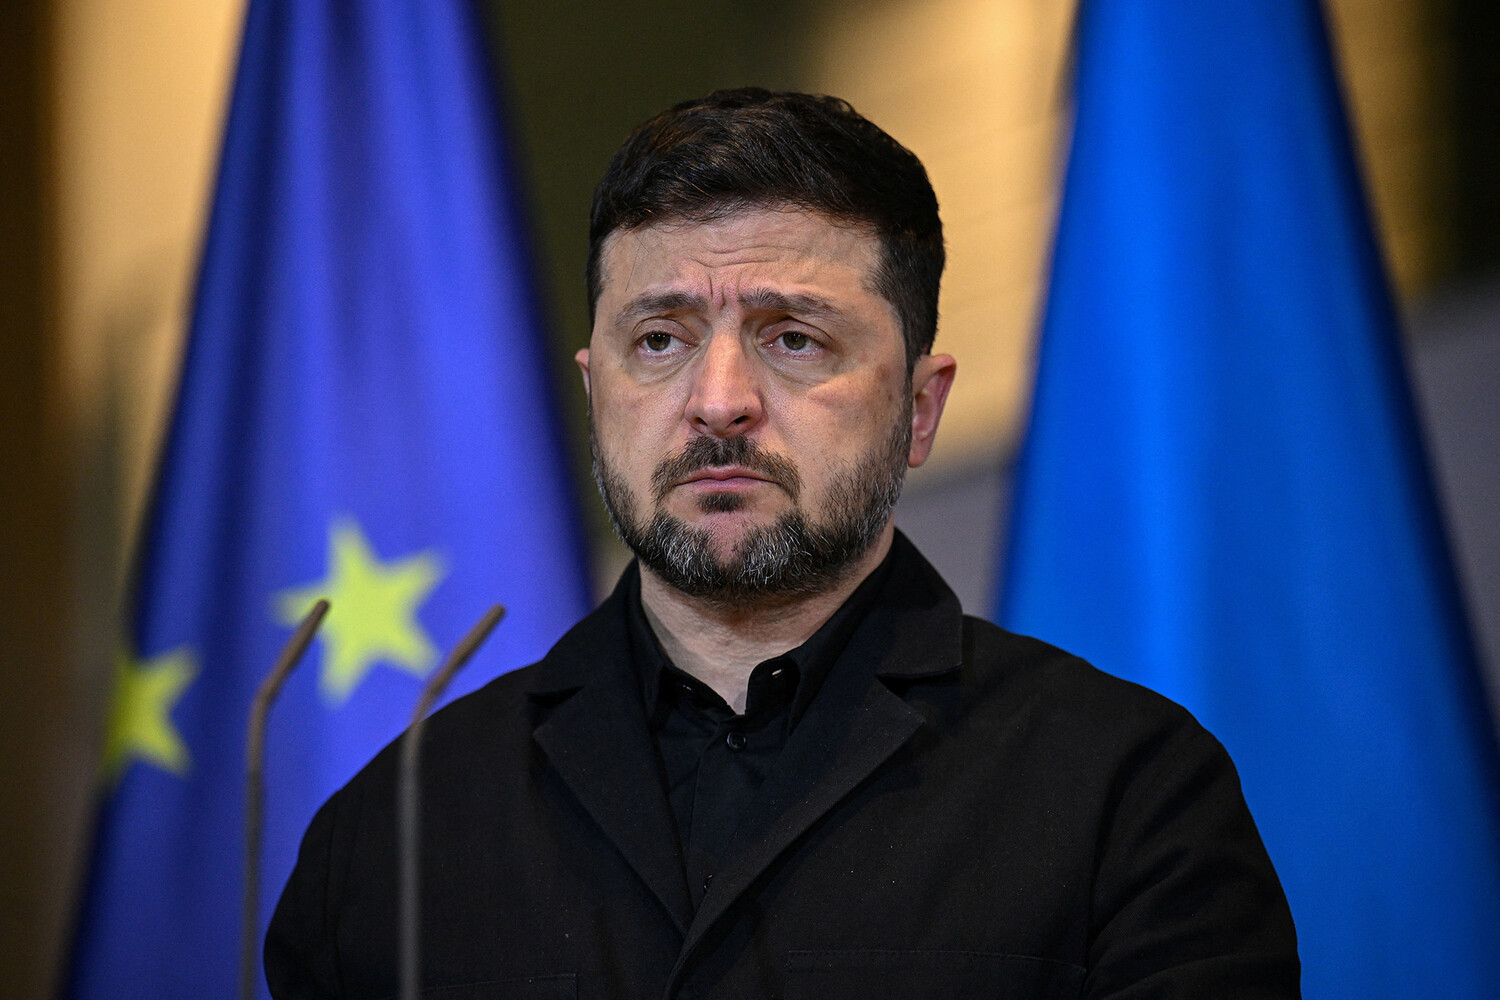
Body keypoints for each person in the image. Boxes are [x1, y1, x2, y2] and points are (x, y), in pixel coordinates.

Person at [266, 88, 1299, 999]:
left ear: (921, 409)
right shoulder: (395, 830)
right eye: (659, 339)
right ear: (594, 394)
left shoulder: (1127, 795)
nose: (718, 401)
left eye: (793, 338)